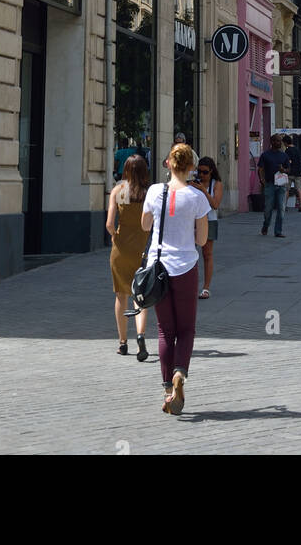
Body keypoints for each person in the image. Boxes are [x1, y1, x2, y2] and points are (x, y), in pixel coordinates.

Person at [141, 142, 210, 414]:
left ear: (168, 163)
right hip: (185, 267)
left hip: (158, 268)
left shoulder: (155, 191)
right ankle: (180, 373)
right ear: (191, 167)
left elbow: (146, 225)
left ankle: (168, 389)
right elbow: (202, 239)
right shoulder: (196, 197)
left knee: (164, 330)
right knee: (186, 329)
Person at [106, 154, 151, 360]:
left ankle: (123, 342)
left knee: (121, 295)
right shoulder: (148, 193)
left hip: (121, 249)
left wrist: (116, 237)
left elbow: (109, 224)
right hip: (142, 249)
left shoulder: (119, 191)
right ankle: (140, 335)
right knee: (139, 296)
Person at [191, 157, 223, 298]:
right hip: (192, 221)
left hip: (209, 220)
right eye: (199, 172)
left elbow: (215, 204)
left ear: (211, 171)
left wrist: (203, 190)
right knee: (190, 254)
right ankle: (190, 286)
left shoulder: (216, 184)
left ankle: (206, 287)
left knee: (207, 254)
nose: (202, 175)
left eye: (205, 172)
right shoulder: (192, 183)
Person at [257, 134, 289, 236]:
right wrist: (262, 180)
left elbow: (289, 169)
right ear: (272, 142)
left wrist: (283, 170)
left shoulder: (284, 155)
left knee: (281, 208)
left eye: (280, 141)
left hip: (281, 185)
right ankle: (266, 225)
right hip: (270, 184)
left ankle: (278, 231)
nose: (280, 143)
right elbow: (260, 168)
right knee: (268, 209)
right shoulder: (265, 155)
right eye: (277, 141)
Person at [282, 134, 301, 213]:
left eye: (284, 143)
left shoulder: (288, 150)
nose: (284, 145)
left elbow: (287, 161)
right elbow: (300, 160)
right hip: (298, 172)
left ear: (286, 142)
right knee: (299, 189)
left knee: (286, 189)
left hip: (290, 172)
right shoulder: (297, 149)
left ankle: (284, 205)